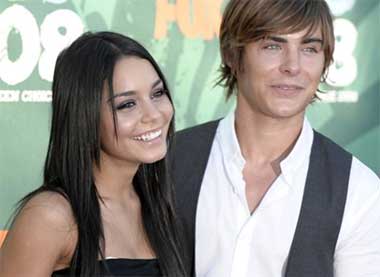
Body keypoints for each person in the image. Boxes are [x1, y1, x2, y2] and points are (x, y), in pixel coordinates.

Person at [170, 0, 380, 276]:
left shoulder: (359, 190)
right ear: (232, 55)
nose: (293, 66)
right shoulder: (166, 162)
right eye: (273, 46)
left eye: (309, 49)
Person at [0, 31, 186, 277]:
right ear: (84, 117)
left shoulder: (159, 208)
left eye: (157, 93)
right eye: (127, 104)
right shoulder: (51, 217)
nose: (154, 114)